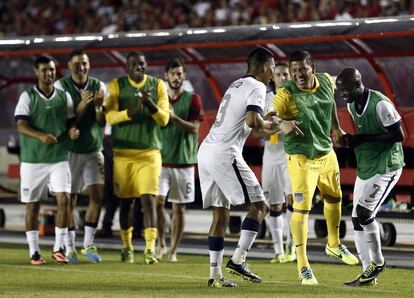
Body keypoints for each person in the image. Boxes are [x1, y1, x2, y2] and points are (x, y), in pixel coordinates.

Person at [198, 47, 301, 288]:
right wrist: (278, 125)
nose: (273, 72)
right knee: (261, 205)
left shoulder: (236, 84)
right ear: (265, 67)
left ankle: (215, 276)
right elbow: (253, 122)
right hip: (225, 153)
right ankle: (238, 259)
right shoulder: (257, 87)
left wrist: (273, 125)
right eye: (273, 67)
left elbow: (255, 126)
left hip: (206, 151)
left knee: (220, 215)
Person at [272, 50, 359, 285]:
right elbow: (269, 117)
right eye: (294, 71)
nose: (298, 74)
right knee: (302, 209)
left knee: (335, 197)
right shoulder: (286, 93)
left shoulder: (326, 81)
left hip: (326, 152)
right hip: (301, 159)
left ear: (313, 67)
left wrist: (336, 128)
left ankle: (334, 244)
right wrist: (282, 122)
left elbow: (330, 100)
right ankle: (303, 265)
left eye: (302, 69)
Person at [336, 68, 404, 286]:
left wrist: (362, 138)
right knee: (356, 218)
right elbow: (364, 136)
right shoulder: (350, 104)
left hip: (386, 167)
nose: (343, 95)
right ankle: (367, 273)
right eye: (340, 91)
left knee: (364, 213)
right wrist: (351, 141)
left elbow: (398, 135)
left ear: (358, 85)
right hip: (366, 166)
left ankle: (378, 262)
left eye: (346, 90)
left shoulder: (380, 104)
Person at [104, 51, 169, 264]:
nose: (138, 67)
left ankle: (150, 248)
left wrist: (149, 104)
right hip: (122, 153)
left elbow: (164, 119)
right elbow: (109, 117)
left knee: (148, 199)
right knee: (125, 204)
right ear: (127, 67)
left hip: (149, 153)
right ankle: (127, 246)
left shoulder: (158, 85)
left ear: (146, 65)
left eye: (141, 63)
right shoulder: (116, 85)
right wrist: (128, 113)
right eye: (133, 64)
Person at [14, 54, 79, 265]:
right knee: (33, 206)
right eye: (44, 70)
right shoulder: (27, 97)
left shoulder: (64, 96)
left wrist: (72, 131)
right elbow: (21, 125)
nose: (49, 73)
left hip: (59, 157)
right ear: (36, 72)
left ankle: (58, 248)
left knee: (64, 199)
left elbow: (71, 122)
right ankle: (34, 252)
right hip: (33, 160)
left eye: (51, 69)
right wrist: (40, 135)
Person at [55, 49, 106, 263]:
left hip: (93, 148)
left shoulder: (99, 86)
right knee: (70, 200)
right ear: (69, 66)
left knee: (97, 197)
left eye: (84, 63)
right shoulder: (60, 87)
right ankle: (69, 246)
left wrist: (98, 107)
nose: (81, 67)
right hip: (71, 150)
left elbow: (103, 122)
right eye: (77, 64)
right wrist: (84, 105)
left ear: (89, 65)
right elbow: (63, 119)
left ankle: (88, 244)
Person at [155, 59, 204, 262]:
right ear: (166, 76)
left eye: (180, 74)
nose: (177, 77)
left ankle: (174, 250)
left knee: (179, 207)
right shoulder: (158, 99)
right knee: (157, 203)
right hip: (160, 160)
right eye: (173, 73)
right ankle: (161, 243)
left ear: (184, 76)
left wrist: (174, 118)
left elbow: (194, 128)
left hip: (184, 161)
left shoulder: (193, 99)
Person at [260, 62, 296, 264]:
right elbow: (259, 130)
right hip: (270, 155)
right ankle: (278, 250)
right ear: (272, 77)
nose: (282, 77)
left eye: (286, 74)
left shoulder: (295, 97)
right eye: (279, 74)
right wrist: (274, 127)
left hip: (289, 154)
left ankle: (292, 247)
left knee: (291, 200)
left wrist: (281, 123)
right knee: (273, 204)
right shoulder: (265, 98)